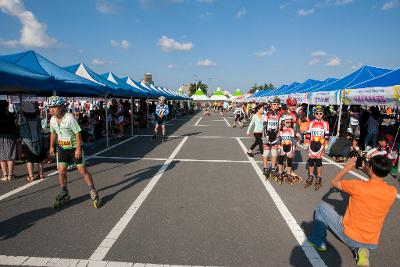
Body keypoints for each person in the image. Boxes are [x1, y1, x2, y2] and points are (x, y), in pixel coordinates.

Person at [307, 155, 397, 266]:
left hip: (350, 235)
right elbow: (375, 182)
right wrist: (367, 170)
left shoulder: (357, 185)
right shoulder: (392, 192)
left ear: (371, 169)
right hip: (371, 240)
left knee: (321, 207)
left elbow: (334, 182)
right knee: (361, 230)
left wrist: (347, 168)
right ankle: (361, 251)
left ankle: (317, 240)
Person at [48, 96, 100, 209]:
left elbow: (77, 133)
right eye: (50, 107)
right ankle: (64, 191)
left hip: (74, 148)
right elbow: (52, 133)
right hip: (62, 148)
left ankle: (93, 190)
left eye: (54, 107)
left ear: (61, 107)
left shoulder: (69, 118)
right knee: (61, 171)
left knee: (82, 170)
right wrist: (51, 146)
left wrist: (77, 148)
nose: (51, 110)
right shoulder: (52, 119)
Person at [18, 102, 46, 182]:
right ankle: (41, 174)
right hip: (38, 140)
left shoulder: (23, 118)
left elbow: (22, 131)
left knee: (29, 160)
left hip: (27, 141)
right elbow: (40, 129)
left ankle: (31, 176)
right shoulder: (37, 118)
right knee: (40, 159)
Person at [304, 105, 330, 190]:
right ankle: (311, 175)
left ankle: (319, 177)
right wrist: (306, 143)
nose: (319, 115)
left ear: (323, 114)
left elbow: (326, 135)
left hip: (320, 145)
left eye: (320, 113)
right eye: (317, 113)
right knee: (311, 161)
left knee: (319, 161)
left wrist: (326, 145)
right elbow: (308, 134)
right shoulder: (311, 123)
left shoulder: (325, 124)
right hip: (312, 144)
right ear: (314, 114)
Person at [276, 115, 301, 185]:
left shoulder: (292, 130)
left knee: (289, 161)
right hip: (282, 147)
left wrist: (294, 148)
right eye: (287, 122)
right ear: (283, 122)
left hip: (289, 147)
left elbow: (293, 139)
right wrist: (278, 147)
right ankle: (280, 173)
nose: (289, 124)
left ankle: (288, 173)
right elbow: (279, 139)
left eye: (290, 122)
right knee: (281, 160)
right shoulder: (281, 129)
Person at [262, 97, 281, 180]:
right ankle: (265, 168)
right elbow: (264, 126)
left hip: (275, 136)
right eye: (274, 104)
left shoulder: (280, 115)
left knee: (274, 153)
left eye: (277, 104)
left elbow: (280, 127)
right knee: (266, 153)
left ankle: (273, 168)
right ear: (271, 105)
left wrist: (279, 137)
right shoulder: (266, 114)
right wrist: (265, 136)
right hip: (267, 135)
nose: (276, 106)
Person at [0, 100, 18, 182]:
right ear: (7, 106)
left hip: (1, 136)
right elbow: (15, 126)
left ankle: (5, 175)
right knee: (10, 156)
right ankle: (11, 175)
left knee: (2, 157)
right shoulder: (11, 115)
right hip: (11, 136)